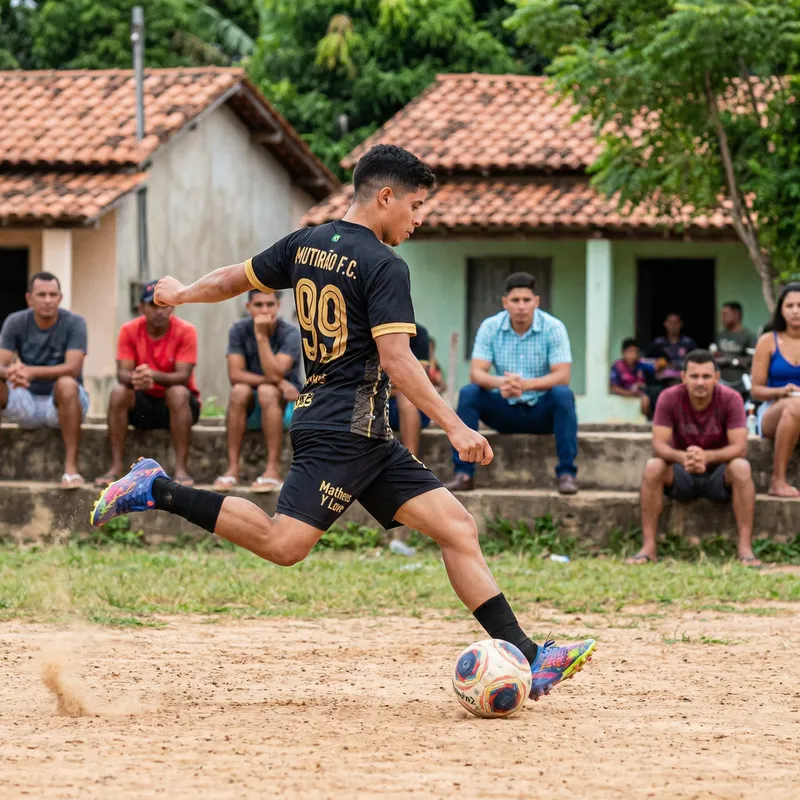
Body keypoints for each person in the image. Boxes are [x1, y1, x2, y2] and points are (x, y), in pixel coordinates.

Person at [90, 143, 595, 698]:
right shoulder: (385, 265)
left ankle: (531, 657)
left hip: (364, 432)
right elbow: (399, 360)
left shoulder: (305, 243)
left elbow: (235, 278)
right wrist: (456, 426)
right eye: (416, 206)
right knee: (284, 544)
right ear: (386, 197)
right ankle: (155, 487)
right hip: (341, 429)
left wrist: (183, 293)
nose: (418, 219)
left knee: (457, 527)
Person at [444, 272, 579, 495]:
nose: (521, 306)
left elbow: (563, 375)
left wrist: (524, 385)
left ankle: (566, 474)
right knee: (469, 393)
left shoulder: (553, 327)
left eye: (527, 300)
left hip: (541, 411)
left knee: (563, 394)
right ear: (505, 303)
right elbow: (476, 373)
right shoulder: (490, 326)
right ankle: (464, 474)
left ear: (536, 301)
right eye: (515, 300)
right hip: (503, 409)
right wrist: (502, 383)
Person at [627, 349, 759, 567]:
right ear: (683, 377)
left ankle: (745, 549)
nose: (700, 382)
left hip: (719, 473)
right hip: (682, 471)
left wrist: (707, 457)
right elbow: (658, 445)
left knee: (741, 467)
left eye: (706, 376)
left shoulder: (731, 398)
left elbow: (740, 447)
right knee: (653, 466)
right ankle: (648, 547)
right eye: (694, 376)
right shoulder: (669, 397)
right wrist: (683, 457)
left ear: (717, 377)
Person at [95, 280, 201, 487]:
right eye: (153, 305)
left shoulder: (186, 330)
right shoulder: (129, 330)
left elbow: (183, 376)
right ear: (141, 308)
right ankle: (115, 467)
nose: (159, 311)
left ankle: (181, 469)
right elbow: (122, 374)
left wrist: (151, 375)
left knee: (178, 392)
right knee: (118, 392)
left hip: (179, 407)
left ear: (172, 308)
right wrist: (137, 378)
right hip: (142, 406)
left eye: (164, 305)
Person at [0, 272, 90, 488]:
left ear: (60, 298)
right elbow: (1, 363)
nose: (47, 300)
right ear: (29, 298)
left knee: (67, 384)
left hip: (62, 405)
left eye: (53, 295)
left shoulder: (75, 322)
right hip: (26, 400)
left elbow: (73, 368)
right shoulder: (15, 321)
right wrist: (12, 373)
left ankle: (70, 470)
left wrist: (30, 371)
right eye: (41, 295)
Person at [214, 289, 303, 492]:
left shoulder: (289, 333)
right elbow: (235, 375)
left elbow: (275, 372)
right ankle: (233, 469)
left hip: (285, 406)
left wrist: (261, 336)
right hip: (252, 405)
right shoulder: (238, 329)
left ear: (278, 306)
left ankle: (272, 470)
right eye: (258, 305)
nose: (264, 310)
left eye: (269, 304)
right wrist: (280, 382)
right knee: (239, 391)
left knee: (267, 391)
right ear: (248, 307)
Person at [750, 282, 800, 497]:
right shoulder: (768, 341)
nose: (795, 311)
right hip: (773, 411)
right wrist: (780, 392)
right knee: (794, 406)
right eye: (789, 306)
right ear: (781, 309)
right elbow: (755, 390)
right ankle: (777, 480)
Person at [388, 321, 432, 457]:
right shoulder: (366, 330)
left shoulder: (417, 332)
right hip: (376, 401)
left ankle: (410, 459)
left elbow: (417, 381)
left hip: (411, 405)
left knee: (406, 396)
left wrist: (394, 385)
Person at [714, 302, 757, 396]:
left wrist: (730, 360)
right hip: (722, 382)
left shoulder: (748, 336)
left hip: (741, 385)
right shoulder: (721, 335)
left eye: (725, 314)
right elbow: (717, 354)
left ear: (736, 314)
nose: (722, 318)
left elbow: (752, 360)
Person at [609, 338, 656, 418]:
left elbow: (656, 367)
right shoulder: (617, 366)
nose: (633, 355)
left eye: (636, 352)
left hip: (642, 396)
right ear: (623, 353)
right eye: (630, 352)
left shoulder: (641, 365)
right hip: (623, 402)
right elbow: (614, 388)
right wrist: (633, 394)